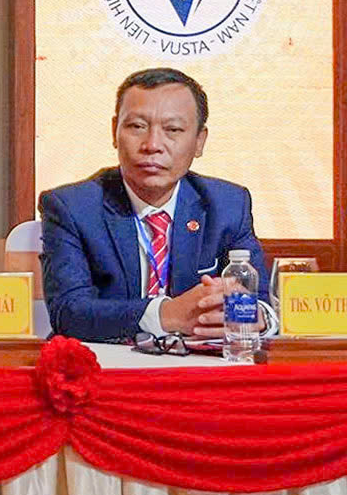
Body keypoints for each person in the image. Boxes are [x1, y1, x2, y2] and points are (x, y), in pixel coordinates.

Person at [39, 67, 273, 343]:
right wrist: (165, 314)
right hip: (107, 362)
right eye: (137, 127)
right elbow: (68, 312)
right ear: (114, 132)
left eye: (172, 129)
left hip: (198, 363)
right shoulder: (71, 207)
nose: (152, 145)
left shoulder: (228, 205)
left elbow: (258, 301)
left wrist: (259, 317)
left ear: (199, 141)